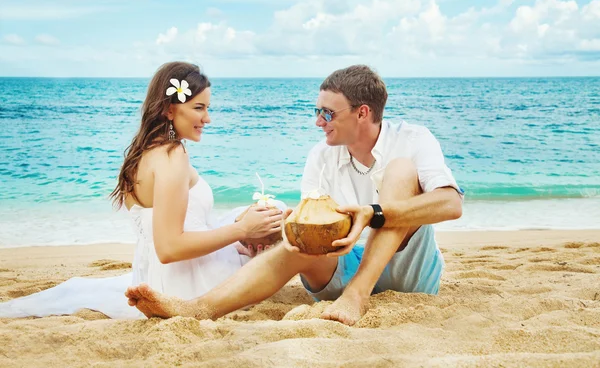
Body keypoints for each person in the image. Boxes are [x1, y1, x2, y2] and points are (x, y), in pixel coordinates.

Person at [125, 65, 464, 326]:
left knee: (401, 171)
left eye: (328, 113)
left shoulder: (413, 139)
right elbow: (307, 229)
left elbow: (451, 204)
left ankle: (359, 295)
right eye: (316, 111)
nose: (318, 121)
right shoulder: (321, 155)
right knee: (296, 242)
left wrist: (374, 213)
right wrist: (271, 232)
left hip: (409, 274)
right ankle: (199, 308)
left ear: (362, 113)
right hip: (341, 270)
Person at [0, 61, 283, 319]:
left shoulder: (143, 152)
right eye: (199, 108)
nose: (207, 118)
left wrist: (238, 235)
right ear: (169, 109)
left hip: (155, 275)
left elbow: (177, 228)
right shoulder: (172, 156)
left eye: (208, 108)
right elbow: (169, 248)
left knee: (257, 218)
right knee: (280, 224)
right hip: (190, 283)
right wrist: (242, 230)